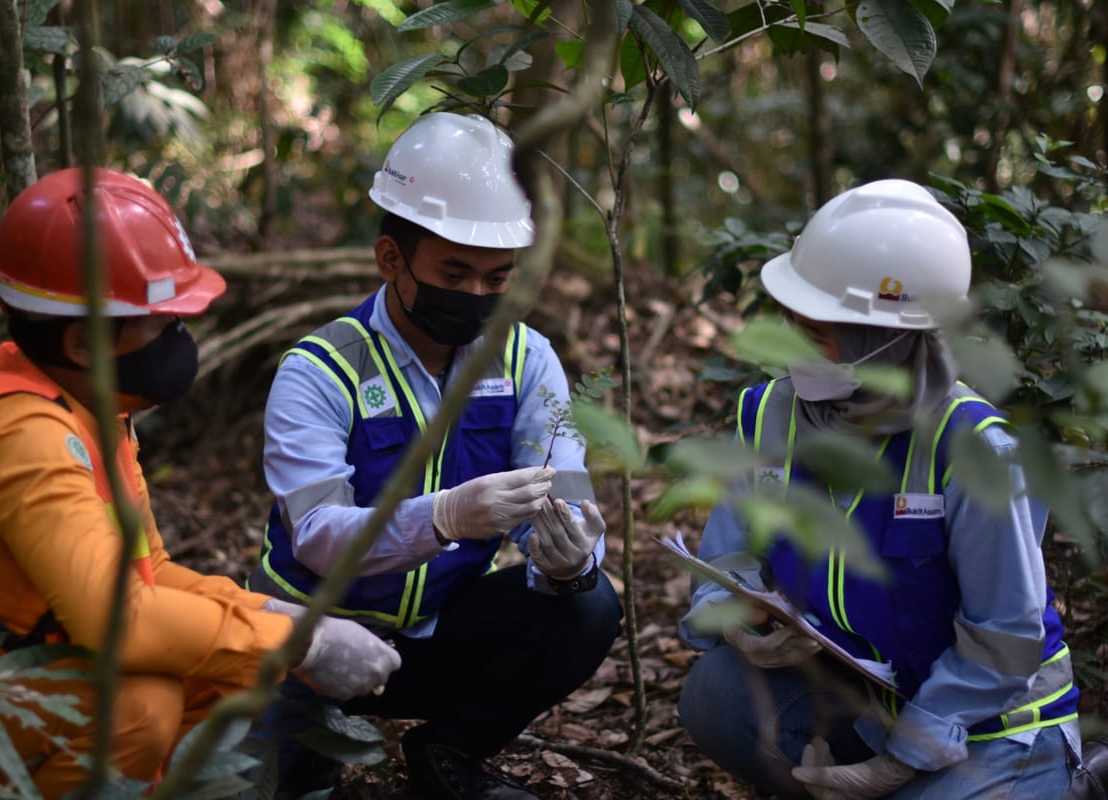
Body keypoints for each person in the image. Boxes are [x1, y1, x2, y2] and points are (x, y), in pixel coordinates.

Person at [0, 168, 400, 797]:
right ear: (85, 340)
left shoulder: (91, 410)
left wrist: (270, 613)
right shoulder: (24, 440)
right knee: (141, 703)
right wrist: (298, 643)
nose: (181, 338)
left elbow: (149, 571)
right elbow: (119, 620)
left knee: (239, 669)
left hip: (26, 660)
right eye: (165, 323)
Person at [247, 112, 622, 799]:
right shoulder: (319, 369)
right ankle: (308, 734)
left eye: (497, 277)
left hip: (433, 635)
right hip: (309, 640)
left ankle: (448, 754)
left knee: (591, 606)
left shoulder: (528, 359)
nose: (478, 294)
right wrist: (445, 516)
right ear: (391, 259)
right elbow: (319, 538)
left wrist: (571, 558)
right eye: (456, 271)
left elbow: (566, 490)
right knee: (268, 786)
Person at [677, 179, 1082, 798]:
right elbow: (725, 561)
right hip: (869, 698)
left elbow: (1005, 636)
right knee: (716, 693)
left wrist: (900, 762)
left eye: (817, 334)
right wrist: (737, 622)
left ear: (891, 342)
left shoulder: (974, 449)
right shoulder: (772, 415)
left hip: (997, 728)